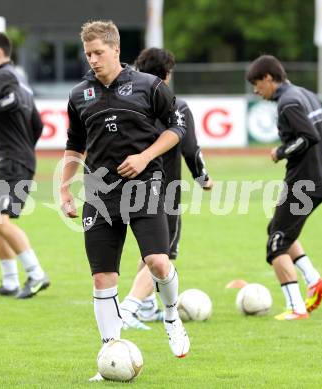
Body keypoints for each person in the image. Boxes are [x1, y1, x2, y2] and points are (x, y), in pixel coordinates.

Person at [59, 21, 190, 380]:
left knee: (158, 262)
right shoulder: (78, 94)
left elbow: (177, 128)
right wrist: (65, 188)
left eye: (99, 52)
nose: (93, 60)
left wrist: (145, 157)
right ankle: (110, 353)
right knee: (102, 279)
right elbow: (74, 144)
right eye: (88, 54)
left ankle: (171, 316)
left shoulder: (149, 87)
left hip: (145, 186)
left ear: (116, 50)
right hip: (100, 195)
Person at [119, 48, 213, 330]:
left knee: (150, 251)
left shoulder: (128, 103)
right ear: (168, 74)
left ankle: (146, 310)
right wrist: (202, 178)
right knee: (164, 254)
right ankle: (128, 308)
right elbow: (190, 148)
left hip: (127, 187)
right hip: (164, 191)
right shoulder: (176, 105)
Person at [246, 55, 322, 320]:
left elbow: (308, 137)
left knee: (276, 244)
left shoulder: (288, 103)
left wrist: (281, 151)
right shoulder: (304, 93)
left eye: (257, 84)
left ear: (268, 78)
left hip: (304, 184)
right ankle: (315, 281)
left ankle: (297, 307)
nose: (256, 90)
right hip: (317, 181)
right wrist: (321, 160)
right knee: (278, 231)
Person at [0, 32, 49, 299]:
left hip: (13, 161)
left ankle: (37, 275)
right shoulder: (20, 80)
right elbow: (37, 124)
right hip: (17, 159)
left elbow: (12, 101)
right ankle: (10, 281)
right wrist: (26, 147)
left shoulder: (4, 76)